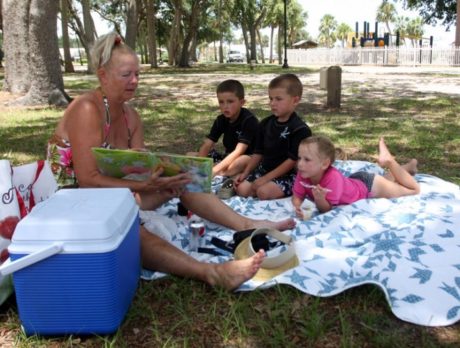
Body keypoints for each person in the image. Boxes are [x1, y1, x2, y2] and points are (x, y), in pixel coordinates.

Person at [46, 32, 296, 290]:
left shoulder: (131, 116)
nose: (134, 81)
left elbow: (138, 171)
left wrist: (164, 177)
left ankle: (247, 224)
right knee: (127, 229)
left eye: (138, 74)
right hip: (74, 200)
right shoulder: (87, 108)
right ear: (102, 75)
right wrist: (145, 186)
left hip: (115, 194)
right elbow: (88, 180)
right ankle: (210, 273)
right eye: (126, 75)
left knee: (184, 179)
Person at [291, 135, 420, 217]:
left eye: (307, 159)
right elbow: (297, 195)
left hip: (369, 186)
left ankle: (390, 161)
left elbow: (326, 209)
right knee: (387, 181)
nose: (300, 164)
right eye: (299, 158)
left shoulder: (333, 178)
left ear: (325, 164)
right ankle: (410, 166)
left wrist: (320, 199)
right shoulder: (303, 173)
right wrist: (298, 207)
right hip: (356, 180)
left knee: (413, 190)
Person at [234, 73, 312, 200]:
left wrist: (264, 180)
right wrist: (246, 172)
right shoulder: (265, 124)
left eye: (278, 99)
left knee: (263, 192)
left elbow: (291, 161)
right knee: (241, 189)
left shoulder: (300, 130)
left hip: (288, 175)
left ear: (295, 100)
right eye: (271, 99)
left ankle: (292, 188)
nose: (273, 103)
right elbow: (258, 153)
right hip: (264, 170)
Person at [188, 79, 259, 178]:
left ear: (242, 102)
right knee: (190, 155)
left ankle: (220, 173)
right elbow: (207, 144)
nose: (225, 106)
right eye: (221, 102)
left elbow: (239, 151)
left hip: (248, 158)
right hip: (228, 156)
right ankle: (217, 171)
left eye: (230, 102)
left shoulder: (249, 121)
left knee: (240, 162)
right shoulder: (221, 120)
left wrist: (215, 169)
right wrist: (199, 164)